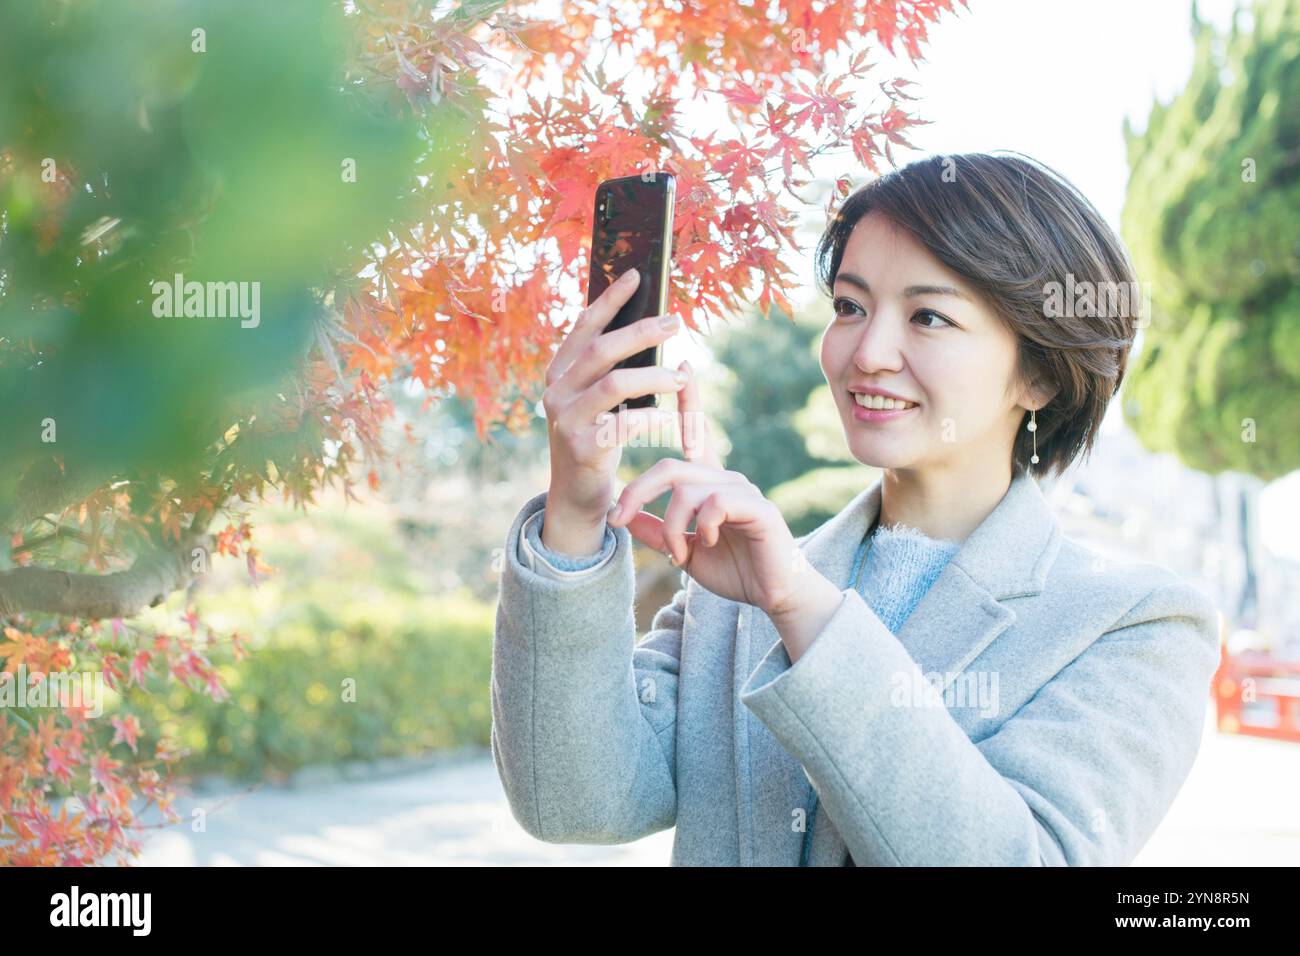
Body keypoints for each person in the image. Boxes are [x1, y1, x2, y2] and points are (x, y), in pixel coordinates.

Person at [490, 152, 1222, 866]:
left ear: (1037, 373)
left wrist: (801, 608)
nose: (868, 352)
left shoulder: (1136, 623)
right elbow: (576, 802)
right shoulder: (737, 586)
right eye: (849, 306)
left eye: (929, 316)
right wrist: (579, 507)